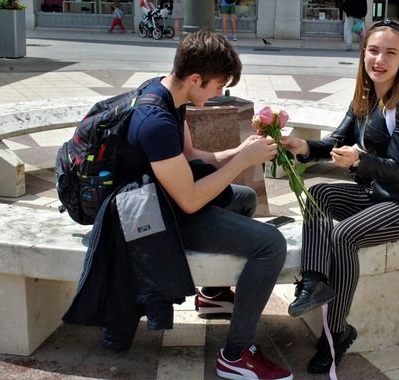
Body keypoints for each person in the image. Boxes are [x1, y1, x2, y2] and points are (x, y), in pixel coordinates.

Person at [124, 31, 292, 380]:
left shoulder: (170, 95)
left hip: (164, 202)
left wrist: (242, 150)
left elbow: (192, 158)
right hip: (157, 222)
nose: (221, 93)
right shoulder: (155, 122)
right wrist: (242, 162)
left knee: (243, 198)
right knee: (270, 244)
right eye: (219, 85)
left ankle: (214, 295)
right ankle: (235, 355)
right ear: (196, 79)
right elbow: (188, 201)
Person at [280, 19, 399, 374]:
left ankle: (337, 332)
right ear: (363, 52)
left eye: (390, 53)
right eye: (373, 50)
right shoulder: (364, 96)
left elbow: (397, 168)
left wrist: (361, 159)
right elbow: (335, 141)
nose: (379, 59)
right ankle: (314, 282)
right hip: (373, 192)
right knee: (318, 194)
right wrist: (304, 147)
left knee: (343, 235)